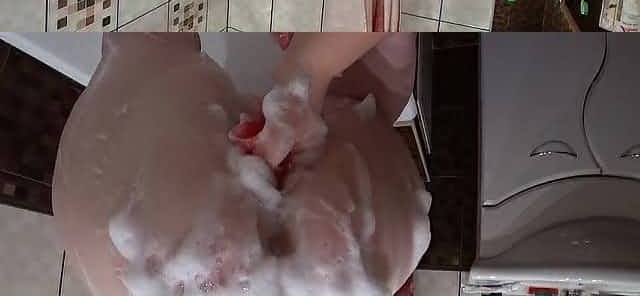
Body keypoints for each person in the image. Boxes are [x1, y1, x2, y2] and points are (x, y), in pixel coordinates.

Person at [52, 33, 430, 296]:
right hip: (139, 245)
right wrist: (311, 66)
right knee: (146, 41)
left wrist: (312, 67)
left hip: (138, 233)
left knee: (366, 98)